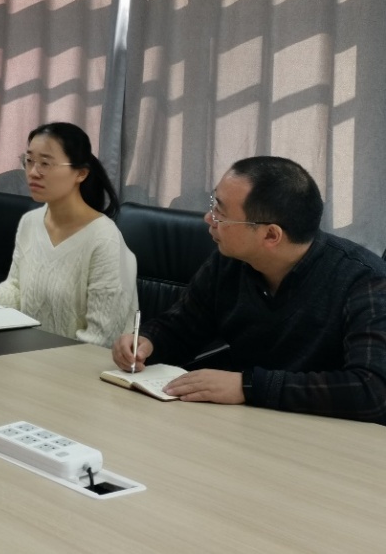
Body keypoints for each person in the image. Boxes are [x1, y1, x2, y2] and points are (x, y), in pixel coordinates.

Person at [111, 156, 386, 424]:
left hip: (324, 436)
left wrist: (249, 386)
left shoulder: (365, 280)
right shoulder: (230, 261)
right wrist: (147, 342)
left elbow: (372, 390)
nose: (208, 218)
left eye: (221, 213)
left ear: (271, 235)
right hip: (245, 422)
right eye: (213, 204)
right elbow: (183, 328)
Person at [0, 122, 137, 347]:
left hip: (75, 365)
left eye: (45, 164)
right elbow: (18, 291)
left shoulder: (104, 239)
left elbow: (102, 338)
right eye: (29, 161)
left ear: (81, 173)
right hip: (25, 353)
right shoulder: (30, 222)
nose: (33, 173)